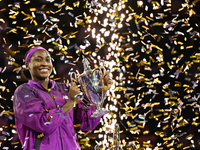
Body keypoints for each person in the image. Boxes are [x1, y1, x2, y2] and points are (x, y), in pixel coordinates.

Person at [13, 46, 113, 150]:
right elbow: (44, 124)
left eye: (48, 59)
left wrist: (100, 94)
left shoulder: (64, 89)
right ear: (27, 65)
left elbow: (87, 123)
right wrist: (71, 102)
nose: (44, 63)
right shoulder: (24, 92)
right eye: (38, 59)